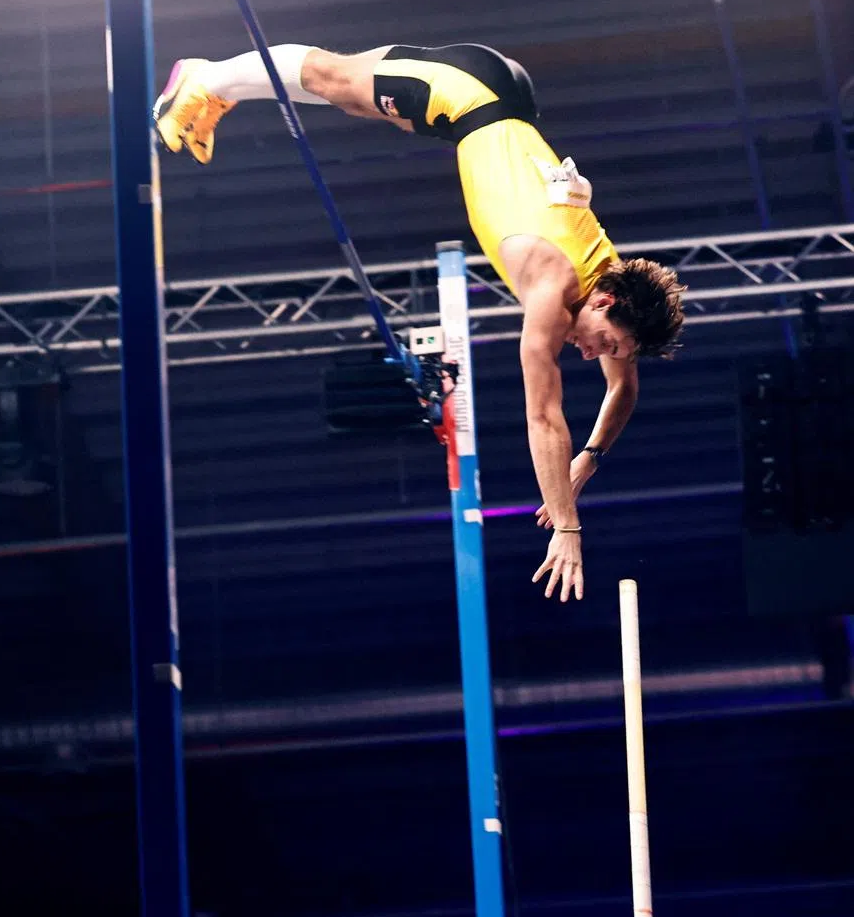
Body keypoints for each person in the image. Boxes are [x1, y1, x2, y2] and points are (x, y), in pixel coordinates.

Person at [154, 43, 685, 603]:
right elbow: (544, 419)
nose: (593, 354)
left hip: (491, 105)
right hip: (467, 93)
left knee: (353, 100)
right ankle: (206, 77)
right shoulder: (551, 292)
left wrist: (591, 458)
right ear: (603, 304)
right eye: (605, 344)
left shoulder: (611, 277)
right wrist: (568, 528)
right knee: (335, 80)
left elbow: (623, 387)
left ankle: (221, 89)